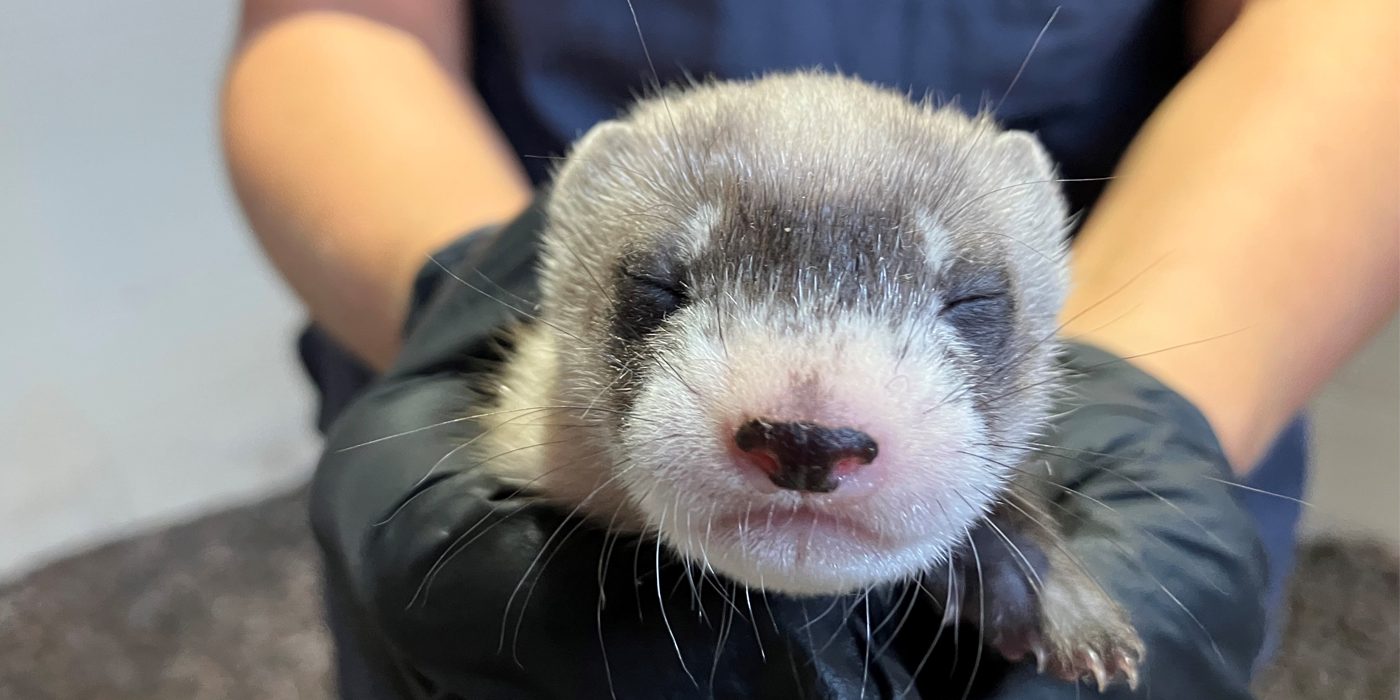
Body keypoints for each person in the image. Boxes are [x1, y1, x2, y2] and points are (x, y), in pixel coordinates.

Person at [220, 0, 1399, 697]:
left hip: (1183, 273)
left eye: (966, 313)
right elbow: (336, 17)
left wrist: (1156, 398)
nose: (811, 422)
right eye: (658, 295)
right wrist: (449, 288)